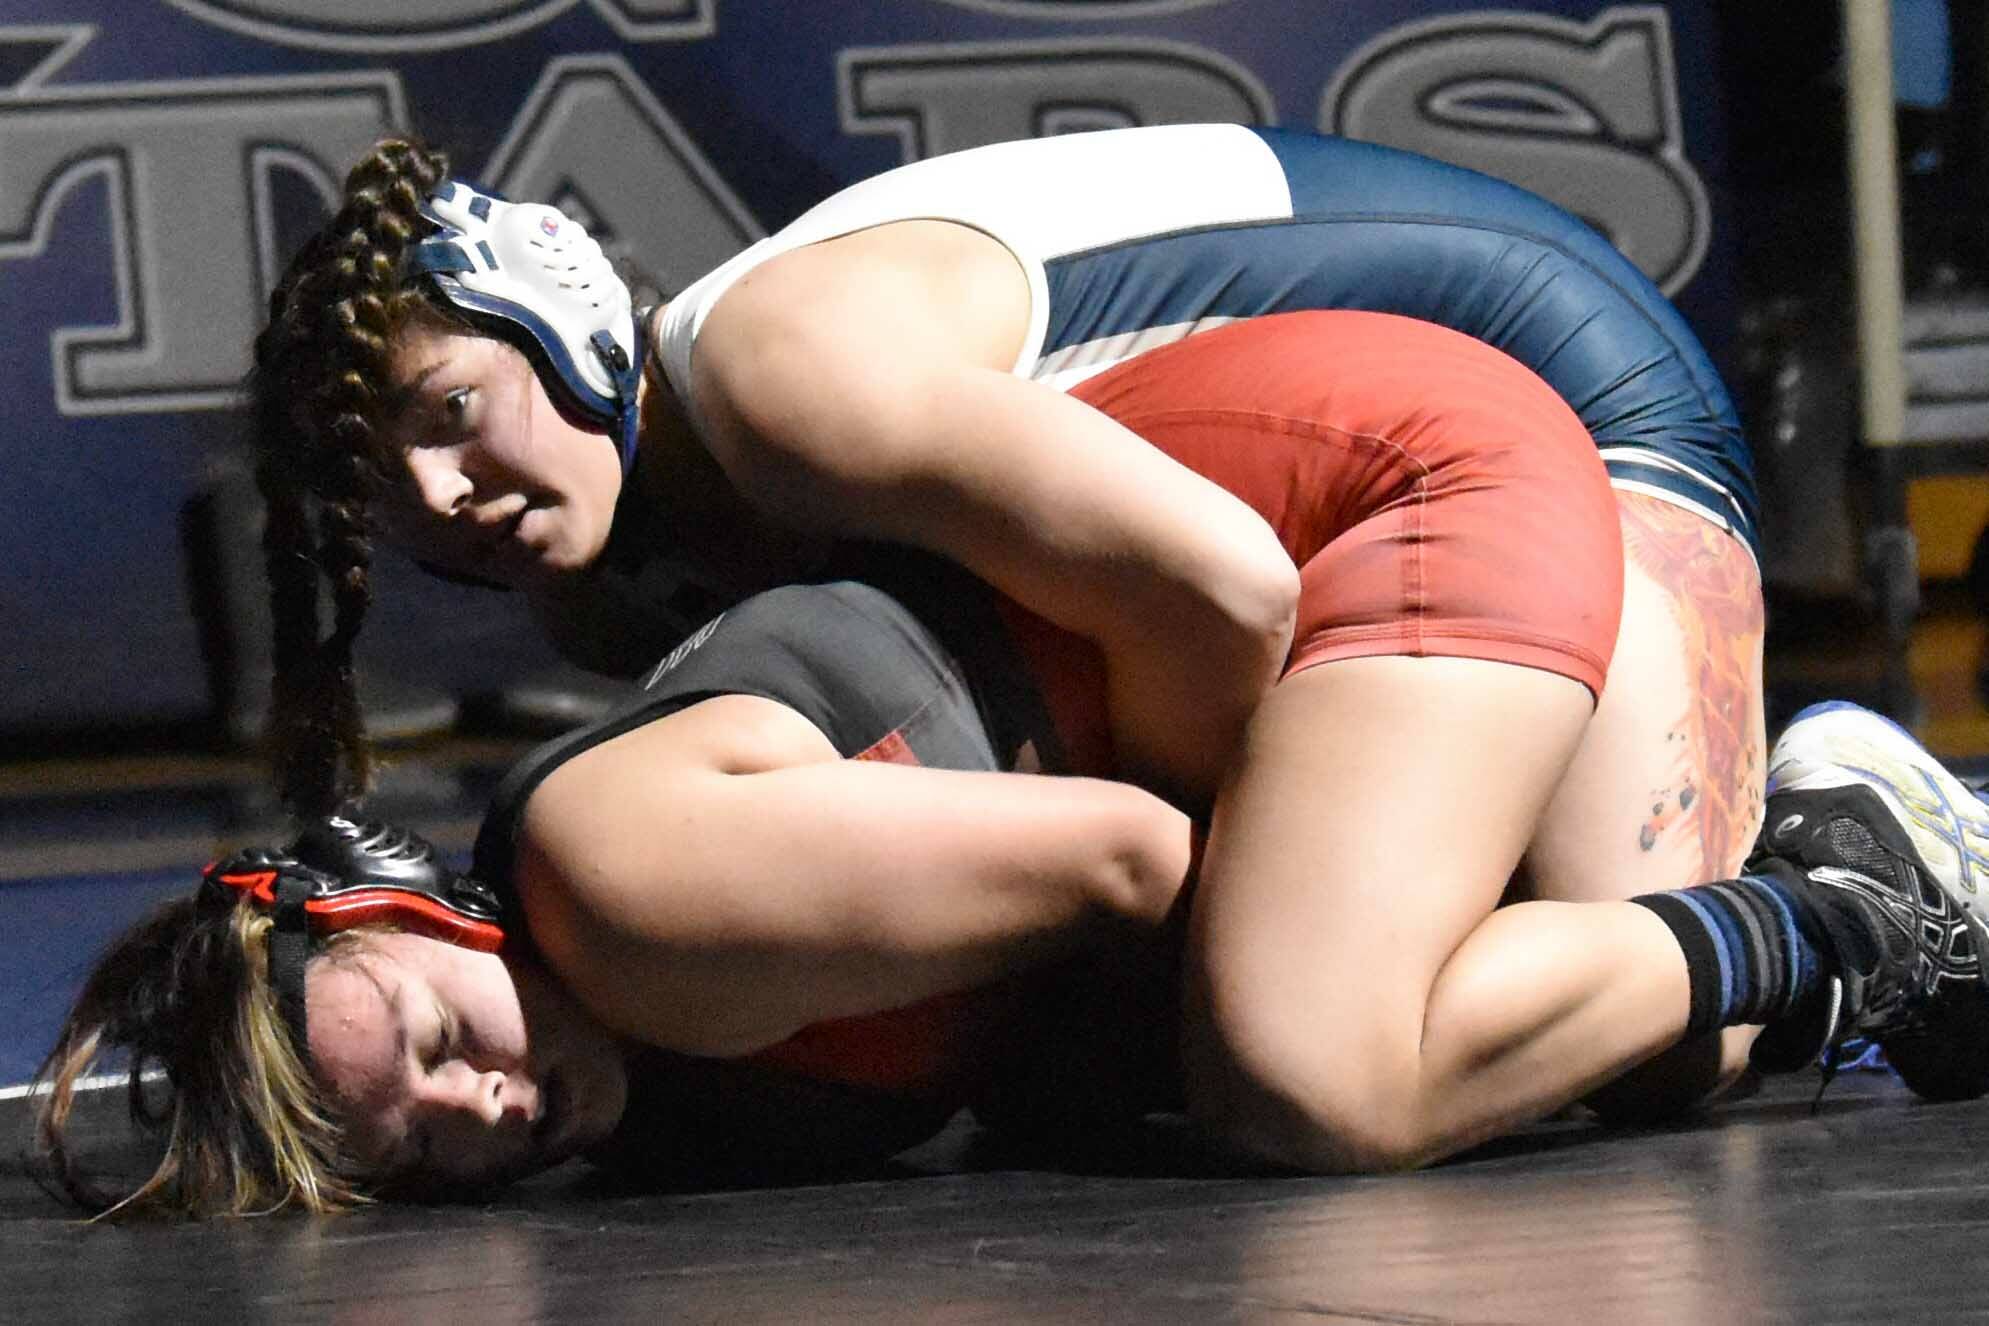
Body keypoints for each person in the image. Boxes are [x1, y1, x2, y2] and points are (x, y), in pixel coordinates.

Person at [38, 310, 1989, 1213]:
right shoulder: (646, 1075)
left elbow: (1134, 858)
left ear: (416, 902)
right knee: (1606, 1055)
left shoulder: (626, 894)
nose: (484, 1113)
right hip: (1267, 626)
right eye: (423, 1148)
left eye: (441, 1046)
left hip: (1350, 497)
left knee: (1313, 1063)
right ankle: (1825, 876)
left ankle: (1844, 899)